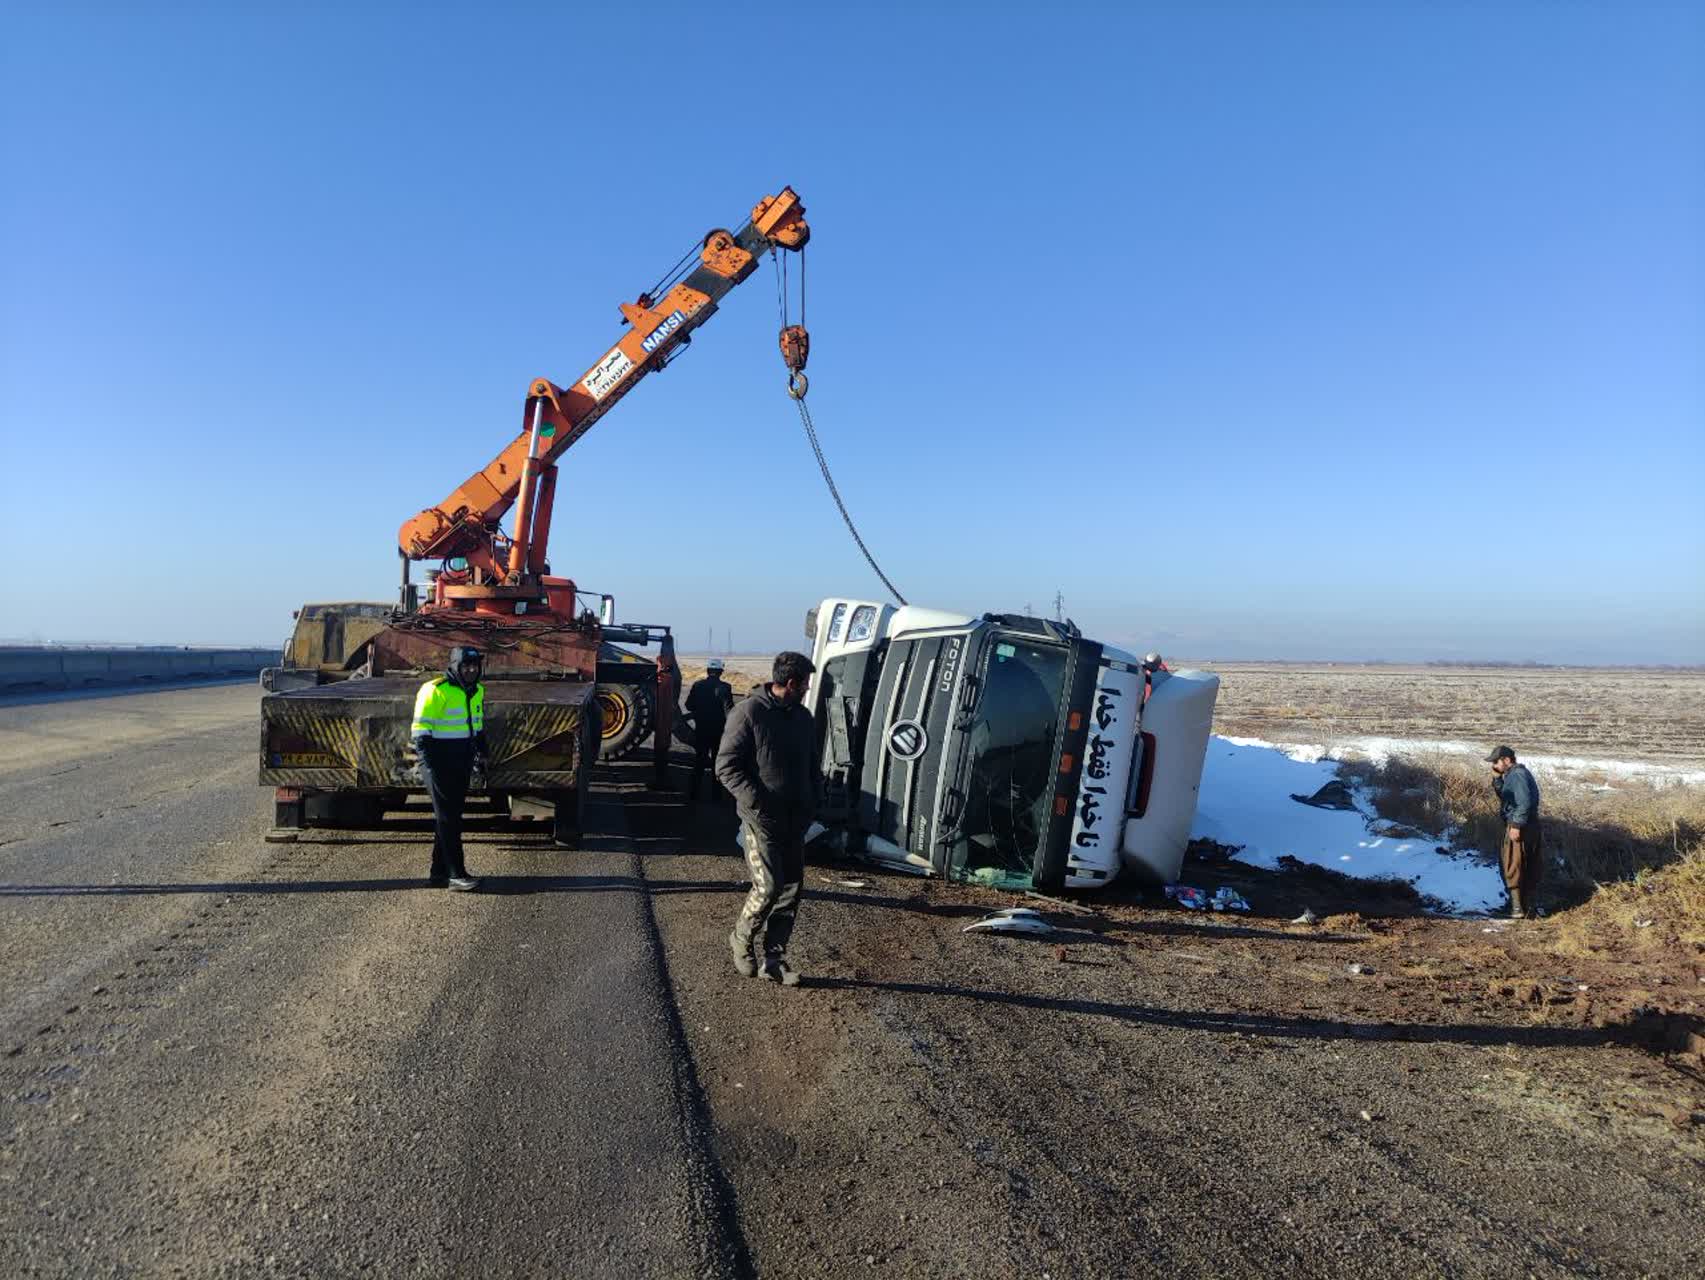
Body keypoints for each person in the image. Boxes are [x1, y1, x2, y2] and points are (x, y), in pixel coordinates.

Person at [716, 650, 818, 985]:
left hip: (795, 821)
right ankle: (741, 938)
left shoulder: (803, 718)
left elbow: (812, 765)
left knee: (790, 890)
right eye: (805, 683)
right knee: (768, 887)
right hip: (761, 820)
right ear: (791, 683)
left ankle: (775, 960)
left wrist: (814, 801)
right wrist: (758, 803)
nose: (807, 688)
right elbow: (726, 767)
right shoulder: (748, 713)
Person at [409, 645, 489, 891]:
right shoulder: (434, 690)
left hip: (462, 761)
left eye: (474, 666)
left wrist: (483, 754)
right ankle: (456, 874)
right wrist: (430, 767)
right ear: (454, 666)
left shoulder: (477, 691)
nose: (471, 670)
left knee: (450, 817)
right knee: (448, 819)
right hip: (438, 762)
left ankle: (438, 874)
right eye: (466, 666)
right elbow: (420, 734)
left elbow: (477, 727)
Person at [1486, 744, 1542, 919]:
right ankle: (1524, 908)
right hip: (1527, 824)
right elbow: (1508, 797)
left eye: (1496, 761)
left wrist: (1516, 825)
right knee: (1523, 865)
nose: (1494, 765)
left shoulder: (1517, 775)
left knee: (1512, 865)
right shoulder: (1514, 774)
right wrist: (1497, 779)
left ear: (1507, 760)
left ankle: (1517, 909)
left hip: (1521, 826)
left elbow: (1523, 803)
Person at [682, 658, 735, 802]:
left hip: (701, 730)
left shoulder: (698, 685)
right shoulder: (725, 687)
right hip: (719, 733)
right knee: (717, 764)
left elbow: (688, 705)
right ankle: (716, 797)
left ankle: (694, 795)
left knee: (699, 762)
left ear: (707, 671)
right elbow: (729, 711)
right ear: (720, 672)